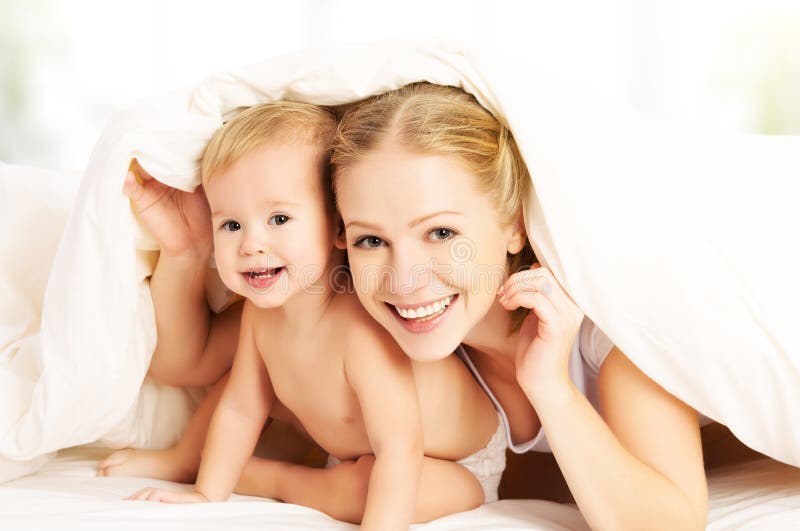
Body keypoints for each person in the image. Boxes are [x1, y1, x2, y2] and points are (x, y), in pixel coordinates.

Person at [331, 82, 709, 530]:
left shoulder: (604, 325)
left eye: (441, 233)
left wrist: (549, 385)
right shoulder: (406, 345)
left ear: (514, 225)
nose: (405, 277)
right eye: (371, 240)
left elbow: (674, 525)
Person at [112, 101, 507, 529]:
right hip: (358, 447)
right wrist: (209, 494)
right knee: (240, 387)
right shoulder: (260, 317)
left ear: (340, 227)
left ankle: (276, 480)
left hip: (447, 462)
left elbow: (400, 447)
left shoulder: (362, 328)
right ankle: (188, 462)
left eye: (278, 218)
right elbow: (242, 409)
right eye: (231, 225)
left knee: (368, 488)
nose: (250, 245)